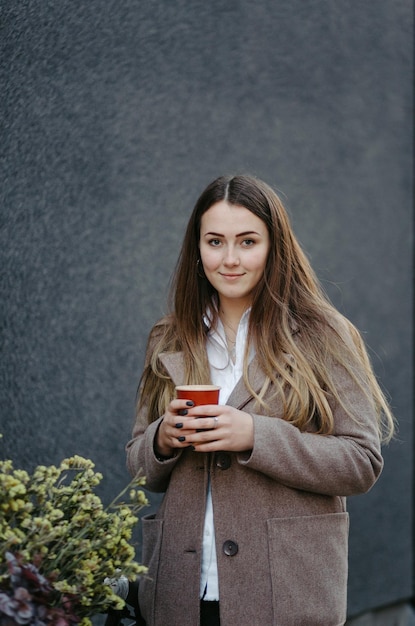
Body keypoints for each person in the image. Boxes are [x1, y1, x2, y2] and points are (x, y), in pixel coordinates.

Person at [126, 174, 395, 626]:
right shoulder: (168, 337)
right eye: (215, 242)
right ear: (197, 249)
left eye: (247, 241)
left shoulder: (324, 335)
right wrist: (162, 439)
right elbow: (138, 467)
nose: (229, 259)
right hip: (179, 590)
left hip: (284, 590)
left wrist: (254, 436)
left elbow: (361, 461)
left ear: (274, 248)